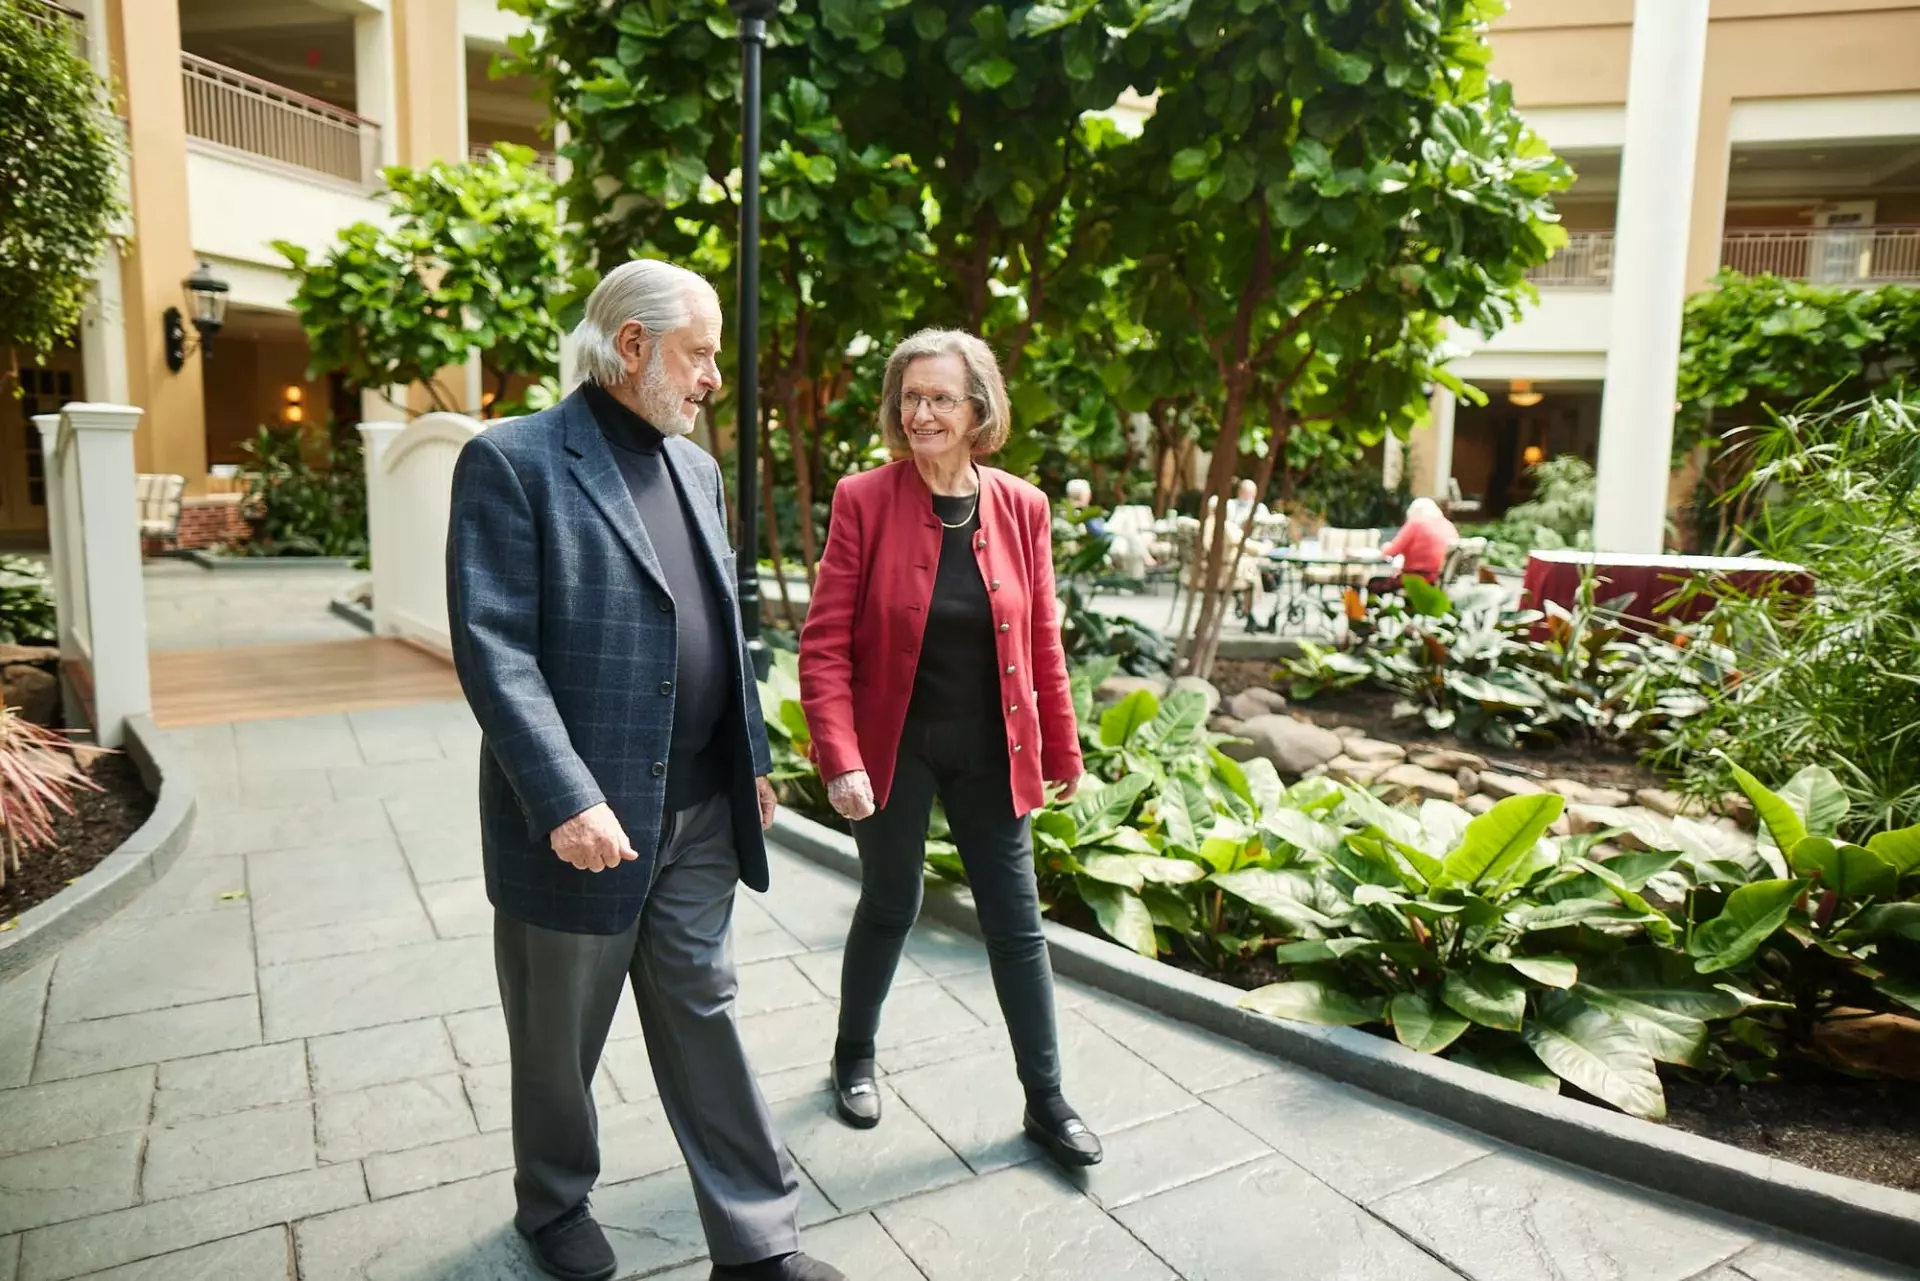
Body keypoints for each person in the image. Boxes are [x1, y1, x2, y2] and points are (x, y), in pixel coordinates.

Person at [445, 259, 842, 1281]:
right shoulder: (513, 461)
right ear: (632, 347)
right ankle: (553, 1204)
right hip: (583, 822)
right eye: (699, 353)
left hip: (701, 811)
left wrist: (750, 756)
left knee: (702, 1008)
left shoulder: (693, 470)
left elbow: (721, 623)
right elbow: (496, 649)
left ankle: (758, 1243)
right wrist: (566, 796)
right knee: (558, 1034)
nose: (713, 376)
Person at [797, 328, 1103, 1169]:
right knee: (890, 902)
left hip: (989, 749)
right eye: (911, 397)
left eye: (941, 398)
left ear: (979, 411)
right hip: (895, 747)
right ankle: (852, 1054)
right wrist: (839, 755)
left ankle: (1046, 1102)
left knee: (1018, 925)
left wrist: (1062, 749)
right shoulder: (865, 499)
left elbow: (1043, 640)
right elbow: (824, 645)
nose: (922, 412)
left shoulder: (1022, 506)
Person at [1371, 495, 1458, 592]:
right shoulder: (1448, 525)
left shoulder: (1416, 523)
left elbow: (1390, 552)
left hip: (1417, 579)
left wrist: (1385, 547)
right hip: (1440, 580)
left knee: (1374, 584)